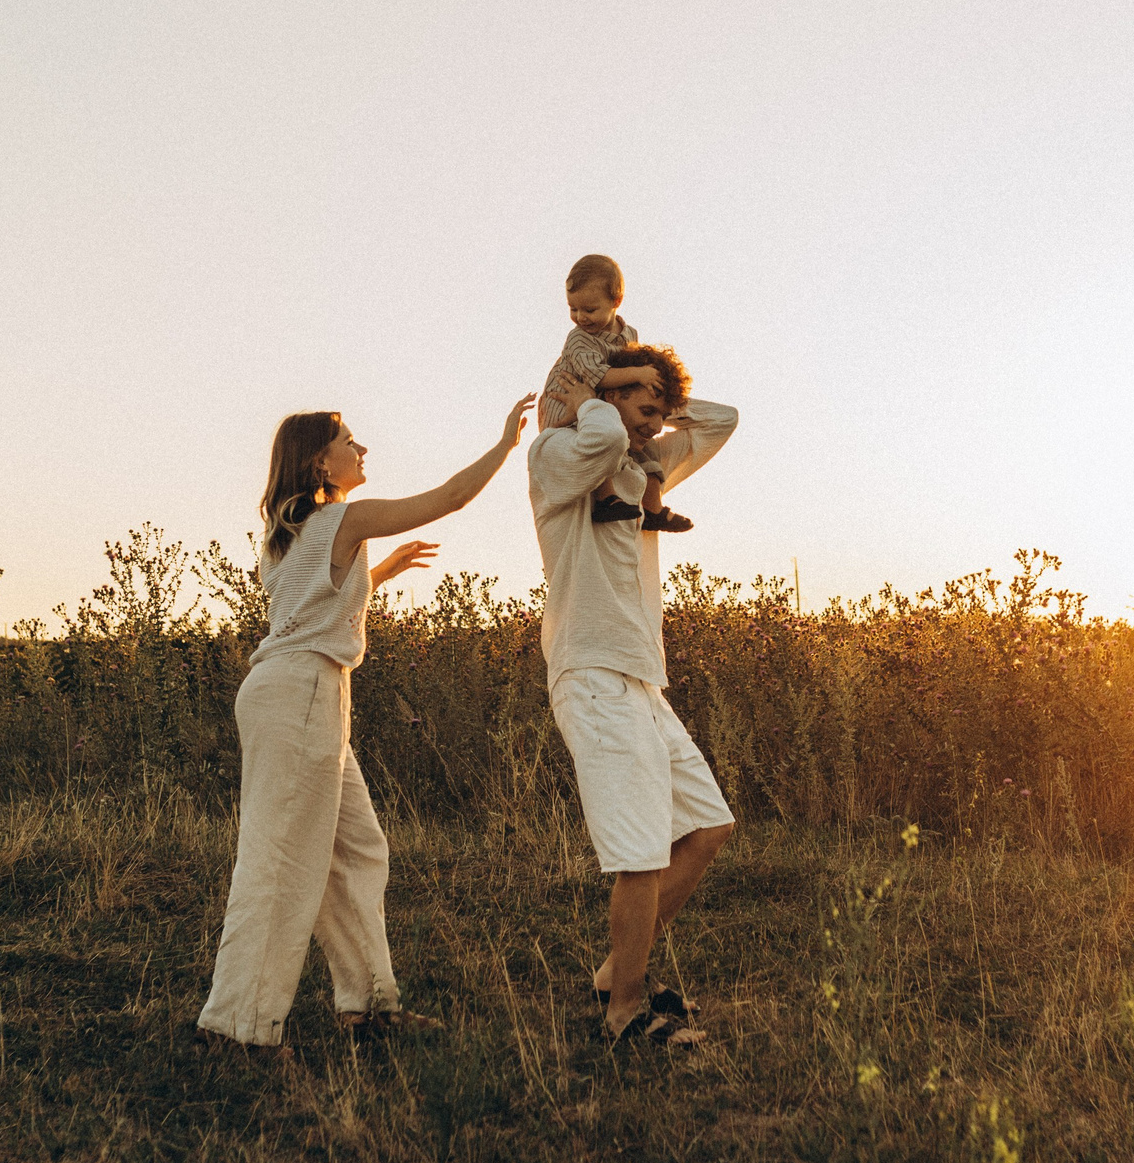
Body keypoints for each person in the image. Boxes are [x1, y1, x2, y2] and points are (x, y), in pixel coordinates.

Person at [196, 394, 534, 1052]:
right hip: (301, 695)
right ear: (320, 457)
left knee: (357, 850)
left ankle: (370, 1006)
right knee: (280, 860)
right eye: (351, 439)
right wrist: (505, 444)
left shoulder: (293, 531)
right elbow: (453, 496)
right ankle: (235, 1027)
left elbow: (311, 600)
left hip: (299, 691)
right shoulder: (340, 519)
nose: (362, 448)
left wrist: (380, 573)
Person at [532, 343, 738, 1047]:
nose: (651, 420)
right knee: (641, 854)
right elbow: (604, 432)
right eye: (638, 400)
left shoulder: (639, 462)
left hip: (643, 679)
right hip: (591, 674)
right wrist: (598, 392)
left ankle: (616, 969)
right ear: (605, 392)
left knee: (709, 826)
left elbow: (721, 421)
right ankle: (625, 1010)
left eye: (658, 406)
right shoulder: (557, 457)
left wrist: (658, 401)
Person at [541, 253, 694, 533]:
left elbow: (627, 371)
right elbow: (597, 375)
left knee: (645, 442)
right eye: (572, 308)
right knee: (601, 438)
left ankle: (653, 507)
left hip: (601, 403)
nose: (579, 317)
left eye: (589, 309)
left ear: (616, 302)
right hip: (566, 405)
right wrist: (639, 374)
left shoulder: (629, 334)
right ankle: (605, 497)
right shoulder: (578, 339)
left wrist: (656, 394)